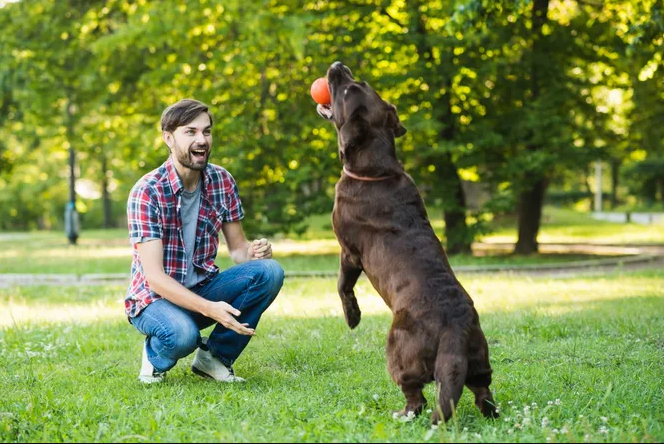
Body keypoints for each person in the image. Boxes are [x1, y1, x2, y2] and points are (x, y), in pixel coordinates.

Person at [125, 98, 284, 384]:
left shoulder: (222, 180)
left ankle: (215, 358)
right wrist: (210, 309)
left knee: (270, 272)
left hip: (202, 289)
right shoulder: (147, 192)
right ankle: (154, 355)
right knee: (183, 335)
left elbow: (237, 250)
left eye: (206, 131)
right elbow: (155, 278)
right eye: (191, 132)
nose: (202, 140)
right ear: (168, 138)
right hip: (154, 300)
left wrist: (255, 251)